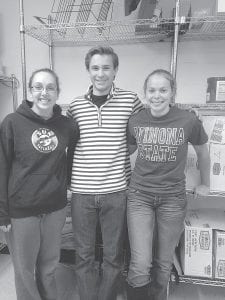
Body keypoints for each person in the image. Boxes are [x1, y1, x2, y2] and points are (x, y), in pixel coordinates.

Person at [67, 45, 143, 300]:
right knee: (84, 254)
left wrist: (186, 115)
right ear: (88, 71)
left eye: (106, 68)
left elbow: (150, 125)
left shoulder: (131, 100)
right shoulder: (75, 106)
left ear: (115, 70)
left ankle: (107, 296)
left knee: (113, 254)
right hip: (82, 192)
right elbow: (66, 140)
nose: (101, 74)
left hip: (116, 191)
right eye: (95, 68)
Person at [126, 69, 210, 300]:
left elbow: (203, 153)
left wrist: (205, 183)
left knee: (163, 263)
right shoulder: (136, 120)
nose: (157, 96)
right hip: (139, 196)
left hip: (172, 199)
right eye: (152, 90)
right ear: (145, 93)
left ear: (172, 93)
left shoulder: (188, 120)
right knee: (140, 262)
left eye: (163, 90)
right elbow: (127, 148)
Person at [0, 68, 79, 300]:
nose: (44, 93)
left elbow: (73, 158)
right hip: (21, 211)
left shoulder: (67, 125)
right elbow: (2, 167)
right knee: (25, 271)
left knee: (49, 266)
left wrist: (69, 185)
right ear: (30, 91)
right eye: (38, 87)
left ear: (57, 92)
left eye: (50, 87)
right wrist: (2, 213)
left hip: (54, 208)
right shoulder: (12, 122)